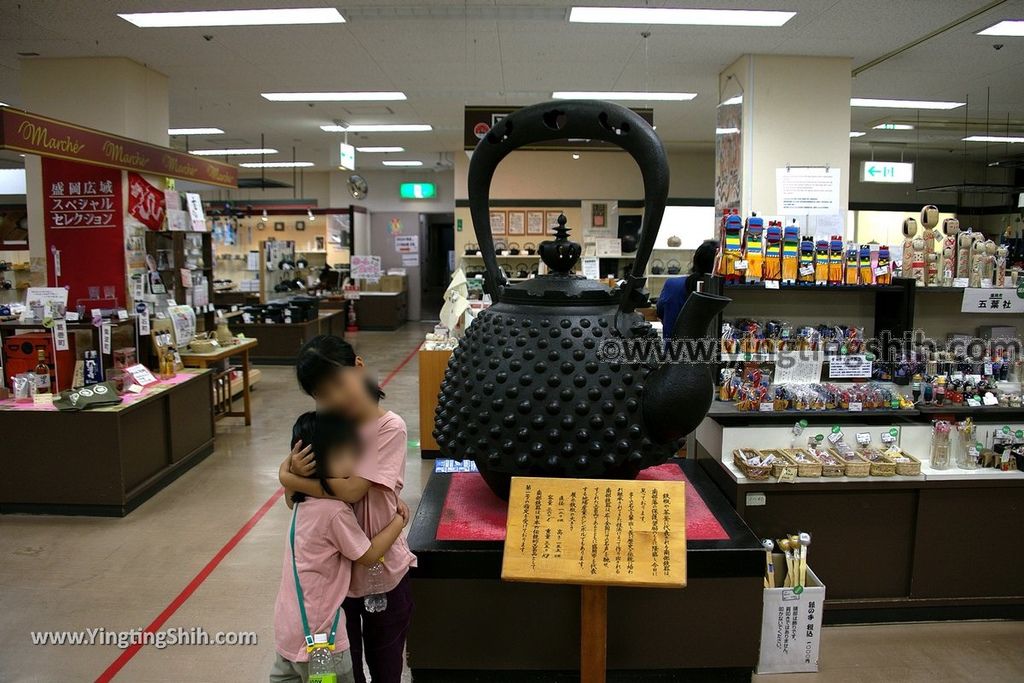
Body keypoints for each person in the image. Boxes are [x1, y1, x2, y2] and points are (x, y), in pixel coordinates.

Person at [280, 335, 416, 683]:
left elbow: (352, 491)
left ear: (358, 367)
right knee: (343, 669)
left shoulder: (389, 428)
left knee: (386, 663)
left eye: (340, 383)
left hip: (380, 574)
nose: (337, 398)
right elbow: (294, 501)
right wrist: (288, 477)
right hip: (333, 583)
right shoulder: (325, 429)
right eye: (323, 395)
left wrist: (291, 478)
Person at [656, 239, 719, 339]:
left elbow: (660, 312)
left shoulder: (672, 285)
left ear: (696, 260)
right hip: (709, 350)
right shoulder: (719, 289)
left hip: (674, 351)